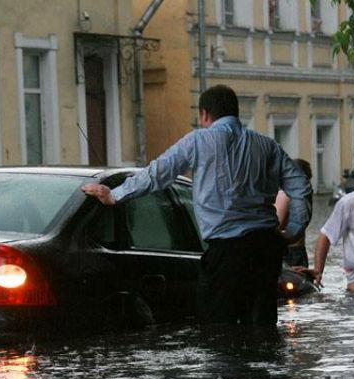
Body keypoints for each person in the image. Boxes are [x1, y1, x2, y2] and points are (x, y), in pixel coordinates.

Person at [82, 84, 312, 327]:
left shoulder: (197, 141)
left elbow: (158, 174)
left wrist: (115, 195)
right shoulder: (266, 146)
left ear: (204, 114)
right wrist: (292, 231)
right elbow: (301, 185)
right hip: (266, 250)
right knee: (263, 327)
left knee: (219, 331)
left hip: (225, 253)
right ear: (235, 112)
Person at [275, 158, 312, 268]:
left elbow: (275, 226)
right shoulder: (303, 197)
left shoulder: (285, 195)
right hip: (298, 251)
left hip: (288, 252)